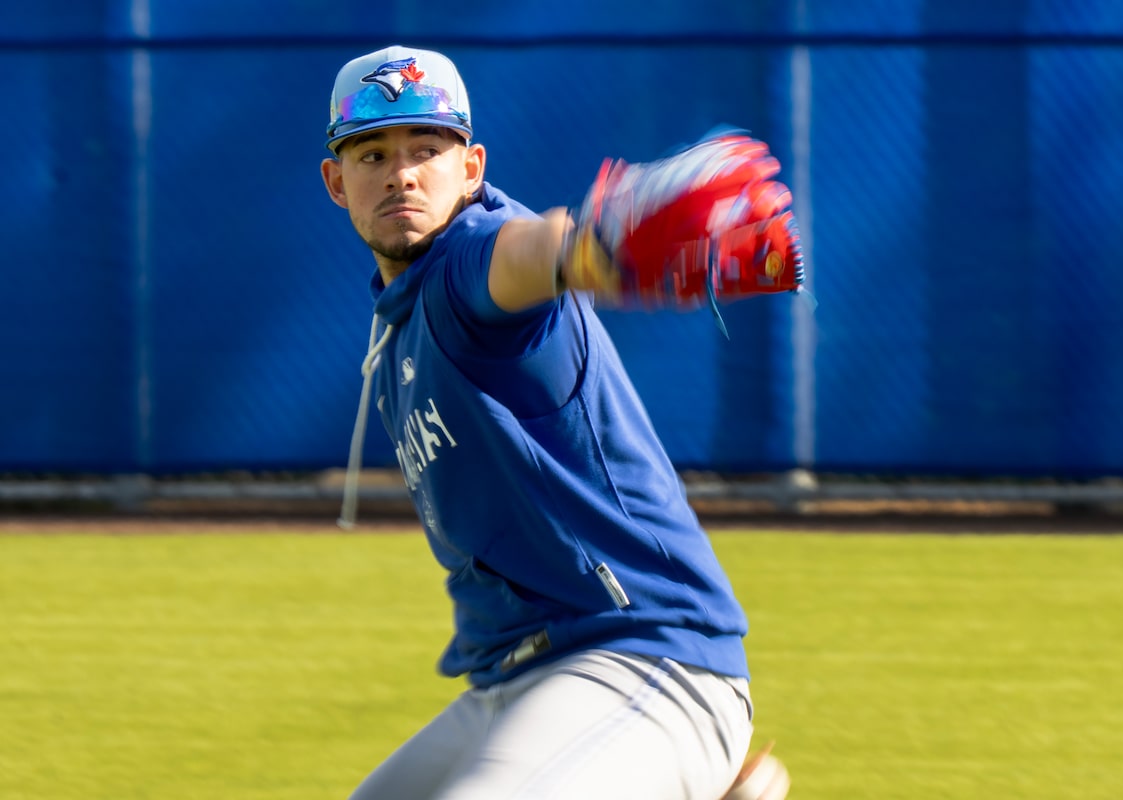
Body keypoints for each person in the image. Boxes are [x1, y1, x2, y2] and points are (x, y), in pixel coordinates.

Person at [320, 44, 792, 800]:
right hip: (512, 687)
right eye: (372, 154)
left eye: (426, 149)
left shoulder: (466, 266)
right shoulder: (397, 318)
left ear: (471, 169)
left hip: (649, 658)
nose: (401, 172)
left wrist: (589, 247)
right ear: (337, 182)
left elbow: (530, 254)